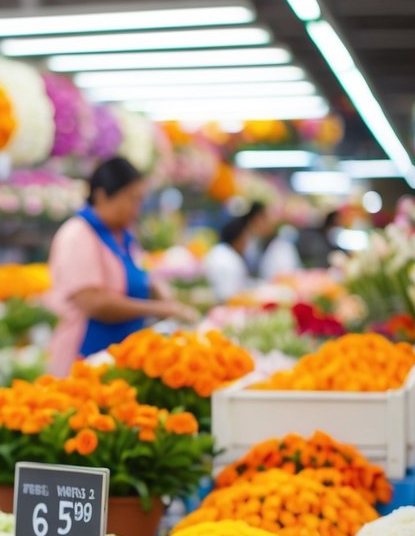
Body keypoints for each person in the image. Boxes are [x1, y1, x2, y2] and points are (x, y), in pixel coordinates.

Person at [47, 156, 197, 375]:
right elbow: (94, 303)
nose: (137, 209)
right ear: (102, 195)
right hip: (84, 358)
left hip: (119, 356)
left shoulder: (123, 236)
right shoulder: (78, 235)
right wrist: (159, 309)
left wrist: (167, 300)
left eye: (140, 201)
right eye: (132, 199)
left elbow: (141, 276)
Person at [204, 205, 271, 303]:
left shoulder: (218, 251)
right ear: (238, 239)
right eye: (245, 238)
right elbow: (232, 295)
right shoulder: (231, 260)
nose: (246, 243)